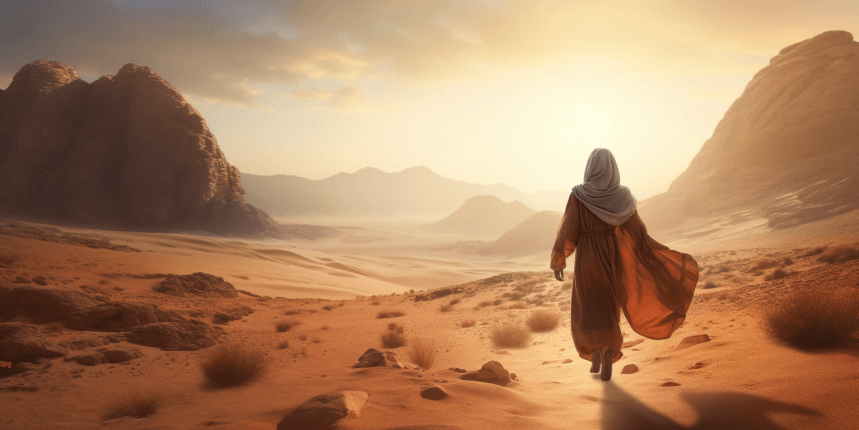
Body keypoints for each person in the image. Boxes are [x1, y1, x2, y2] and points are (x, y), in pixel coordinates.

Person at [550, 148, 698, 382]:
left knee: (588, 308)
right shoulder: (623, 198)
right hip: (612, 260)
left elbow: (568, 229)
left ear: (590, 167)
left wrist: (559, 260)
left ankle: (596, 354)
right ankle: (606, 354)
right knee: (610, 309)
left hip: (587, 261)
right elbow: (637, 232)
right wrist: (650, 257)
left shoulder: (578, 195)